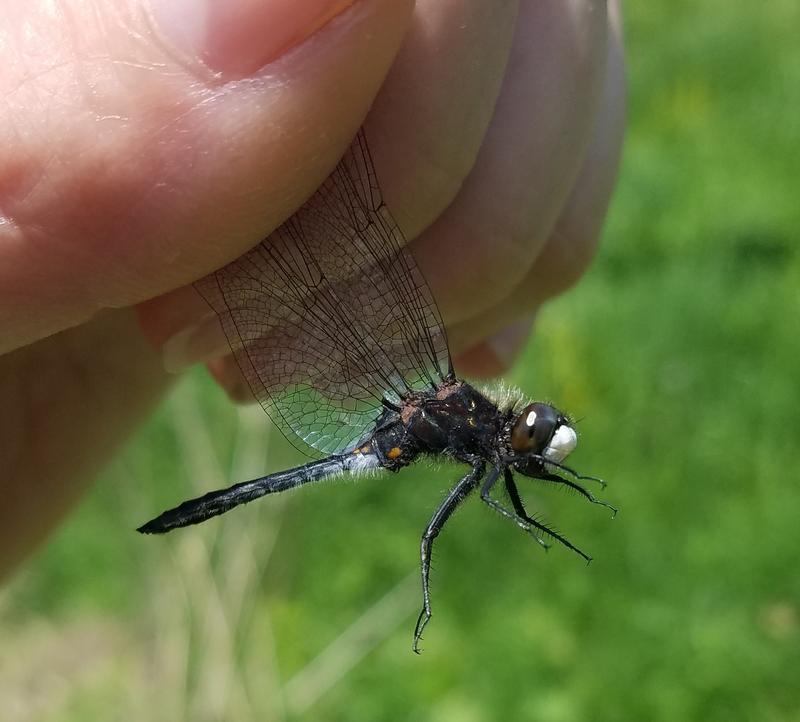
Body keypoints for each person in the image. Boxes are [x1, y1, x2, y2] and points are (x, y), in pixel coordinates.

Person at [0, 0, 626, 577]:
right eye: (539, 432)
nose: (537, 441)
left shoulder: (482, 432)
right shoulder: (472, 420)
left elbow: (508, 489)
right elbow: (493, 497)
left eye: (537, 437)